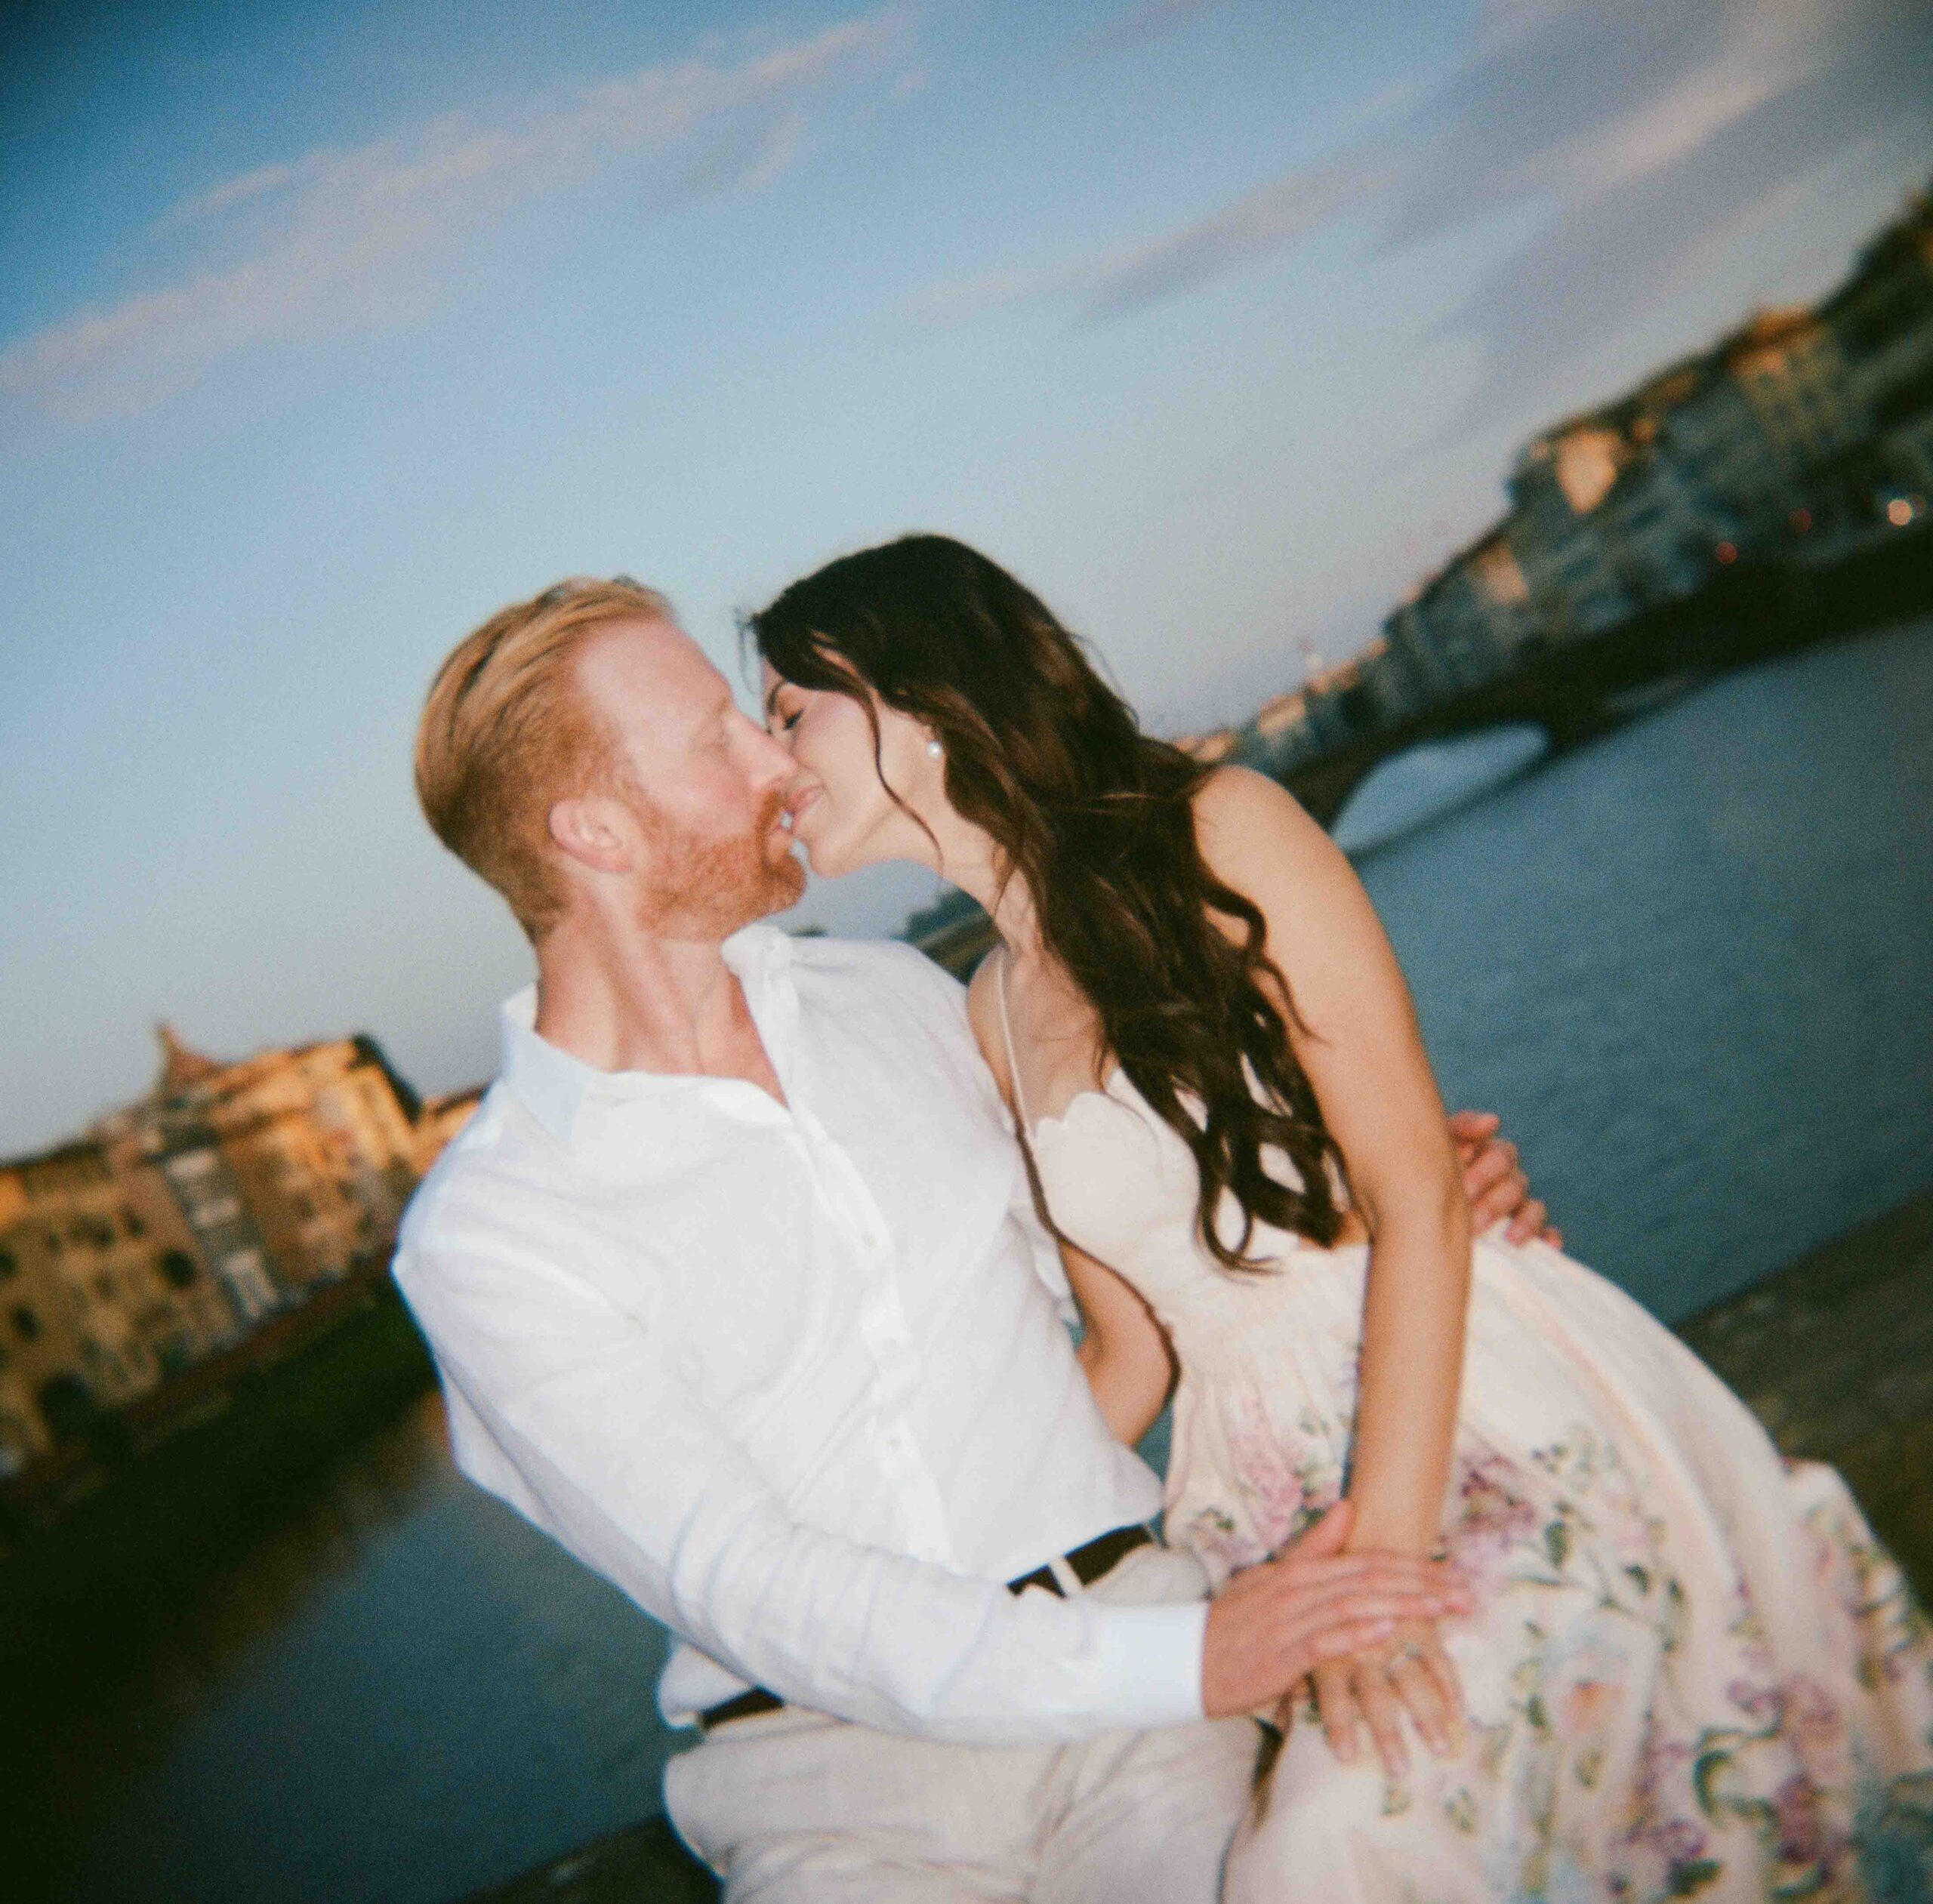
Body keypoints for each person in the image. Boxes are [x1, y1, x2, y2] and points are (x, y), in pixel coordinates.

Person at [748, 533, 1933, 1902]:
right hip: (1251, 1513)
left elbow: (1417, 1190)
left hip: (1447, 1435)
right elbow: (1132, 1354)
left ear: (923, 696)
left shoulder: (1221, 830)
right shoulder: (990, 1009)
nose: (773, 760)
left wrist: (1386, 1554)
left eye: (791, 712)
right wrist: (893, 1554)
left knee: (1327, 1855)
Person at [394, 574, 1548, 1903]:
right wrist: (1195, 1659)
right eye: (721, 734)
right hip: (842, 1788)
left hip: (1137, 1705)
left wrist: (1389, 1201)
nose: (778, 757)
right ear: (594, 830)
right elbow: (747, 1580)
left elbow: (1147, 1258)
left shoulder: (900, 1005)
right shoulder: (493, 1235)